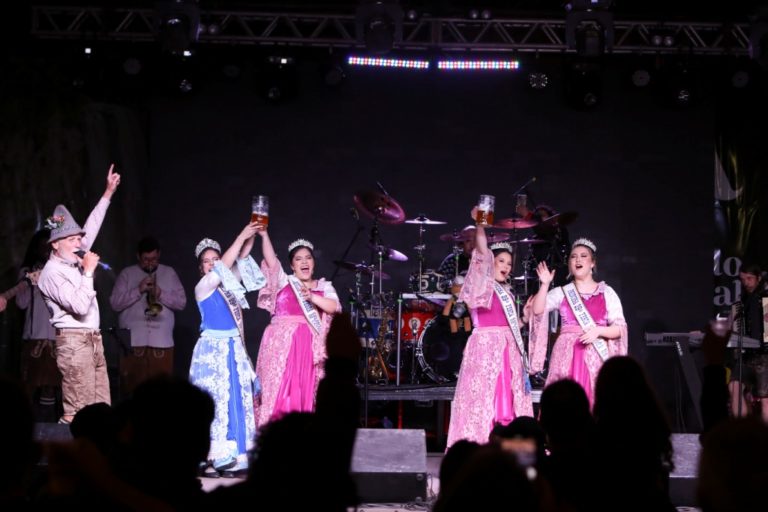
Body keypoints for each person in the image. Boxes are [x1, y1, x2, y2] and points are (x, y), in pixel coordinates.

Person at [37, 164, 121, 425]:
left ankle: (99, 461)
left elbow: (92, 225)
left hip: (92, 340)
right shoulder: (51, 273)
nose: (80, 243)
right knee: (78, 413)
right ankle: (70, 461)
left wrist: (107, 193)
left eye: (79, 238)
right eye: (73, 239)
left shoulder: (72, 258)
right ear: (56, 244)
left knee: (101, 408)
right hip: (74, 344)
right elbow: (80, 305)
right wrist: (88, 274)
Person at [446, 210, 535, 448]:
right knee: (484, 399)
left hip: (508, 351)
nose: (506, 266)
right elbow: (483, 252)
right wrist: (481, 225)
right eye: (501, 261)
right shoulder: (481, 285)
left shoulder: (507, 291)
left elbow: (513, 325)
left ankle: (509, 444)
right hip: (485, 350)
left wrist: (524, 318)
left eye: (509, 263)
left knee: (507, 398)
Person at [189, 223, 265, 478]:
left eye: (215, 259)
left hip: (233, 349)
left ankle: (233, 456)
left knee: (234, 401)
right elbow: (224, 268)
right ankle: (210, 457)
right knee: (214, 402)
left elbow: (241, 259)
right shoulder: (203, 287)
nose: (211, 264)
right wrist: (241, 234)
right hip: (212, 351)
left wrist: (252, 235)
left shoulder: (228, 286)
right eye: (206, 261)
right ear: (201, 267)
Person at [254, 230, 341, 428]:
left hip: (308, 349)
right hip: (281, 349)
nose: (304, 262)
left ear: (313, 262)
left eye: (308, 258)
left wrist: (312, 296)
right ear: (292, 265)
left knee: (305, 392)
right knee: (281, 391)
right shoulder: (285, 282)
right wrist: (265, 235)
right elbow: (270, 260)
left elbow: (334, 307)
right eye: (298, 259)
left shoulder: (324, 286)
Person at [529, 237, 627, 406]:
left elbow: (619, 329)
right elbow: (537, 310)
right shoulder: (562, 292)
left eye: (583, 256)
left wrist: (598, 331)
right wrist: (545, 285)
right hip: (566, 356)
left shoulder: (607, 292)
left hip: (595, 355)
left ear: (592, 263)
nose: (578, 259)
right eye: (573, 257)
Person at [109, 236, 187, 398]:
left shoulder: (169, 273)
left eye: (154, 259)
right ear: (138, 256)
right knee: (132, 392)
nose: (150, 263)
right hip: (132, 344)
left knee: (161, 394)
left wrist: (160, 293)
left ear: (159, 255)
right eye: (146, 259)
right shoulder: (127, 274)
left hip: (162, 344)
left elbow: (181, 303)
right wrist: (138, 290)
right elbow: (115, 304)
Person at [12, 229, 62, 417]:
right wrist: (30, 282)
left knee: (53, 386)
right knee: (31, 384)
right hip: (35, 337)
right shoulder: (27, 271)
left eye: (48, 247)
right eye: (41, 247)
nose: (45, 251)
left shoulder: (63, 270)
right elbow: (21, 303)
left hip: (58, 337)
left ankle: (51, 425)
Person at [728, 263, 768, 421]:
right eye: (743, 279)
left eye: (749, 278)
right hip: (746, 354)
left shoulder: (765, 296)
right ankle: (743, 430)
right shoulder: (742, 300)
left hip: (765, 355)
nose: (746, 282)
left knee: (765, 398)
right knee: (734, 387)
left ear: (758, 278)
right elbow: (731, 323)